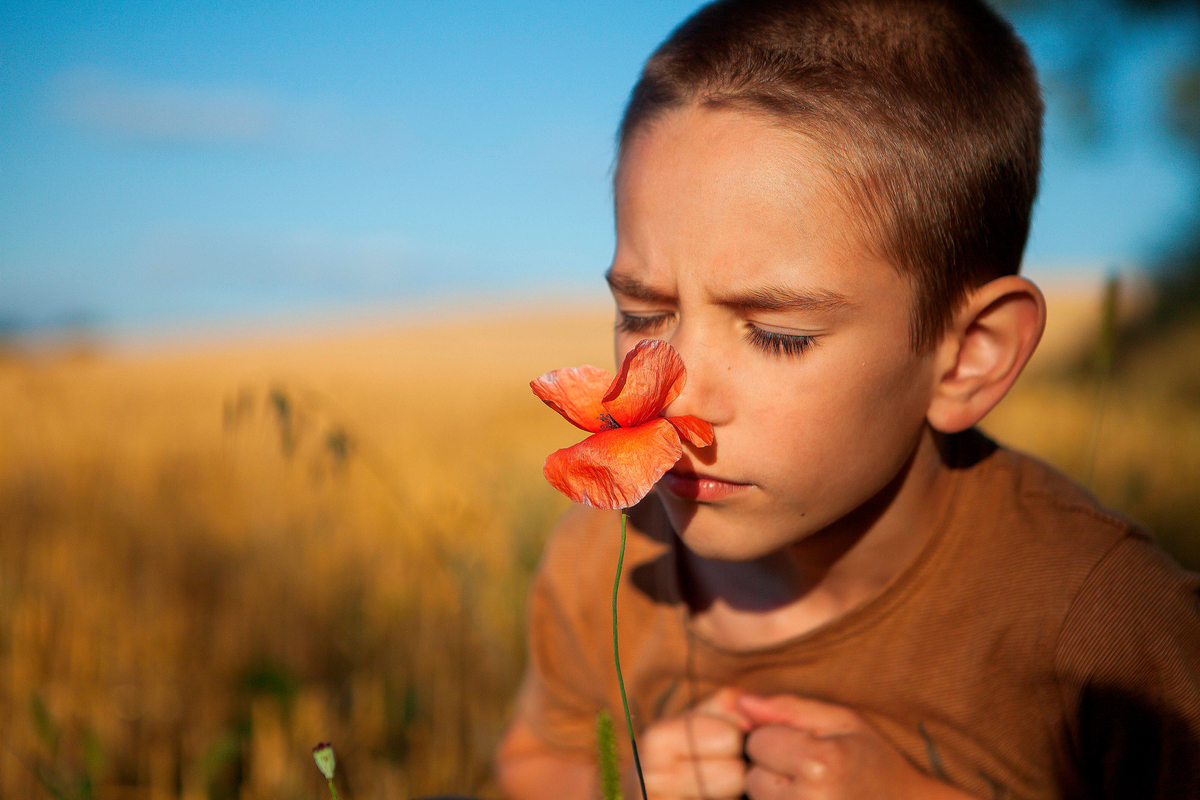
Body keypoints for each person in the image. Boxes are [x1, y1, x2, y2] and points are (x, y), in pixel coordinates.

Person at [494, 0, 1200, 797]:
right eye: (643, 315)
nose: (679, 399)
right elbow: (530, 768)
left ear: (970, 357)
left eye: (778, 335)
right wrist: (616, 781)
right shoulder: (600, 564)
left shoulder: (1106, 619)